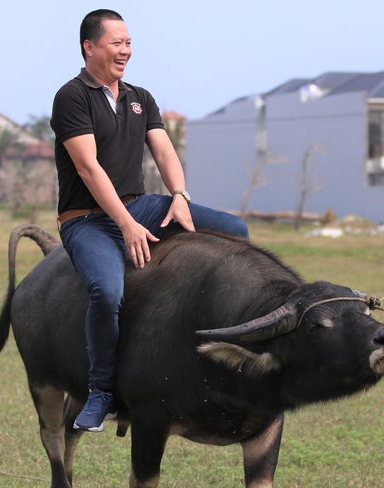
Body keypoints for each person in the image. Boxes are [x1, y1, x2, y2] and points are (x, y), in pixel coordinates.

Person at [51, 9, 249, 432]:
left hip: (140, 206)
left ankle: (225, 348)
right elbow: (88, 168)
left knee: (235, 231)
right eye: (116, 42)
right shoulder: (72, 96)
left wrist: (178, 196)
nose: (126, 50)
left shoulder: (140, 96)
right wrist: (124, 224)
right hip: (87, 220)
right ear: (90, 47)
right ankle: (101, 391)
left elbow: (162, 151)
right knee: (107, 291)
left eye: (128, 42)